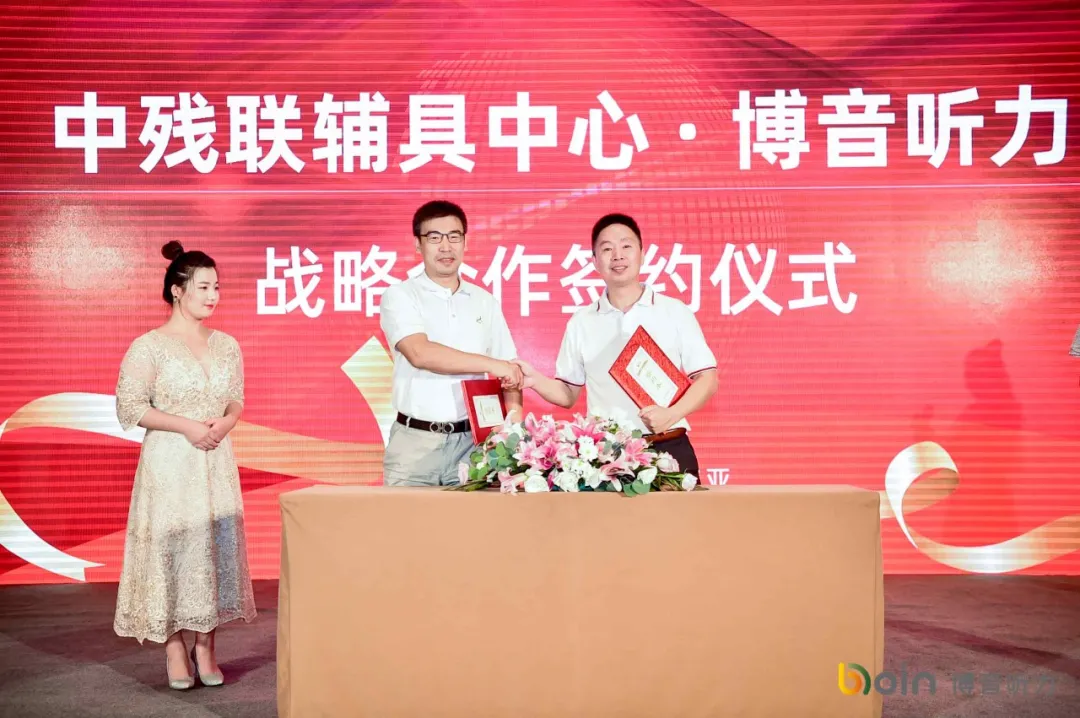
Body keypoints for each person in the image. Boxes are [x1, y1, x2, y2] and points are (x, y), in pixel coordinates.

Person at [113, 241, 256, 690]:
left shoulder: (227, 345)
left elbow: (236, 398)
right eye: (204, 287)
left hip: (215, 460)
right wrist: (188, 427)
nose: (213, 296)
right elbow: (131, 408)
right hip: (170, 461)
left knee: (211, 551)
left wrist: (227, 422)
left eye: (217, 287)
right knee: (171, 551)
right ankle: (174, 647)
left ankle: (206, 647)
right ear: (177, 290)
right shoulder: (149, 346)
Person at [514, 213, 718, 476]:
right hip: (606, 455)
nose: (618, 256)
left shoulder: (674, 311)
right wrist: (534, 380)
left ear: (642, 254)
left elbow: (707, 378)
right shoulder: (582, 321)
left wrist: (672, 413)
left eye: (626, 246)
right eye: (607, 249)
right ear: (595, 261)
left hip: (668, 446)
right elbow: (568, 393)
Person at [379, 200, 524, 486]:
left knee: (473, 518)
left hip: (474, 446)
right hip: (414, 446)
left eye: (454, 237)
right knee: (404, 517)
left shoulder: (484, 301)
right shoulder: (401, 295)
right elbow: (420, 353)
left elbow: (510, 370)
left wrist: (513, 424)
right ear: (418, 244)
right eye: (435, 237)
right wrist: (493, 365)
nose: (446, 247)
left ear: (465, 242)